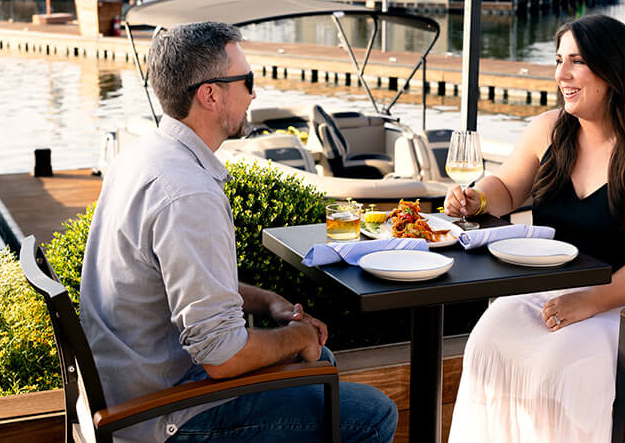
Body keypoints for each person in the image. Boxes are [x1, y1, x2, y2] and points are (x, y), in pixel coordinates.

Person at [80, 22, 397, 443]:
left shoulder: (144, 155)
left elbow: (175, 285)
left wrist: (267, 302)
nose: (254, 93)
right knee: (373, 415)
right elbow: (222, 357)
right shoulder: (187, 192)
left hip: (129, 387)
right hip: (162, 417)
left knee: (321, 362)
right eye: (247, 80)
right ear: (210, 94)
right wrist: (298, 334)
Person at [443, 14, 625, 442]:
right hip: (557, 291)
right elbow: (507, 186)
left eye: (576, 61)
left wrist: (592, 300)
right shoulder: (549, 129)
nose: (561, 74)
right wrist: (478, 198)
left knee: (563, 360)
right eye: (558, 60)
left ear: (613, 69)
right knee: (487, 339)